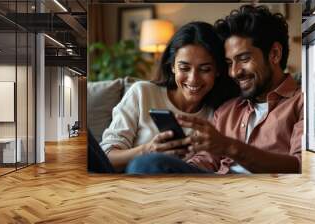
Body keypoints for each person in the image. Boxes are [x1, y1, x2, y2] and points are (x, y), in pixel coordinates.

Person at [126, 5, 303, 174]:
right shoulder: (228, 108)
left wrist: (230, 147)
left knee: (147, 163)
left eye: (244, 58)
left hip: (262, 195)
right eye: (228, 63)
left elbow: (301, 166)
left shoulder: (302, 103)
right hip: (212, 191)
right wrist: (179, 166)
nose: (234, 72)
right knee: (148, 163)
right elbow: (205, 160)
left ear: (275, 54)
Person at [99, 21, 239, 172]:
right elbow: (105, 158)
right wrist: (146, 150)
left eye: (205, 69)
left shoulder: (220, 114)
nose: (193, 79)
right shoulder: (142, 92)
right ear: (172, 66)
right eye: (184, 68)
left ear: (218, 70)